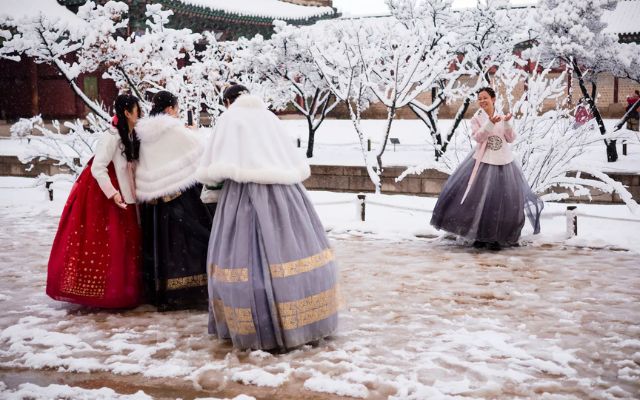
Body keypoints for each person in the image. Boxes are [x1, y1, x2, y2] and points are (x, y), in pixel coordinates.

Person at [197, 84, 338, 351]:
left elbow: (213, 166)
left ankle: (258, 323)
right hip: (286, 194)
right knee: (287, 251)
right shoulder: (270, 117)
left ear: (228, 102)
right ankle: (300, 318)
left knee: (243, 256)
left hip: (243, 194)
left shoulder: (229, 118)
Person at [46, 94, 142, 308]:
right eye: (137, 110)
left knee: (128, 244)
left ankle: (126, 291)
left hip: (127, 194)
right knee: (114, 245)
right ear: (127, 113)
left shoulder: (130, 133)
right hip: (111, 197)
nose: (140, 114)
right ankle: (111, 293)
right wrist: (113, 193)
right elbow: (98, 167)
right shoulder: (112, 136)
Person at [430, 87, 544, 251]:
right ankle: (480, 234)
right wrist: (490, 123)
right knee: (480, 199)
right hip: (483, 161)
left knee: (504, 200)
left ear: (493, 99)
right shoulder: (477, 118)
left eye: (485, 98)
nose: (482, 101)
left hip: (504, 161)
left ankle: (500, 235)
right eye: (480, 99)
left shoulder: (502, 115)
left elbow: (511, 138)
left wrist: (505, 122)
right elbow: (478, 137)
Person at [135, 90, 213, 311]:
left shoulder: (144, 133)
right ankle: (190, 290)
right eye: (176, 109)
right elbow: (201, 151)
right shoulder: (173, 130)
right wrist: (194, 133)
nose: (177, 114)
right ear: (169, 109)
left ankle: (163, 290)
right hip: (179, 199)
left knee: (161, 247)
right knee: (191, 243)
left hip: (155, 202)